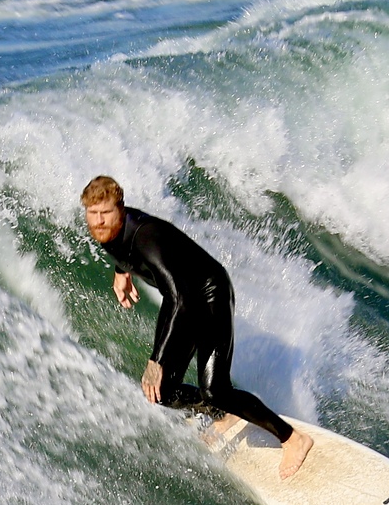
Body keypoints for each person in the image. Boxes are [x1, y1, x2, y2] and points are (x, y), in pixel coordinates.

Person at [81, 175, 313, 480]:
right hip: (182, 299)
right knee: (161, 391)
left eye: (106, 213)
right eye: (93, 214)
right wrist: (122, 271)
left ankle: (292, 438)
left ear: (121, 210)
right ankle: (223, 412)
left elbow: (180, 297)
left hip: (207, 295)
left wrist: (157, 360)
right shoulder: (109, 230)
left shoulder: (146, 236)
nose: (98, 221)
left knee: (215, 388)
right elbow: (126, 252)